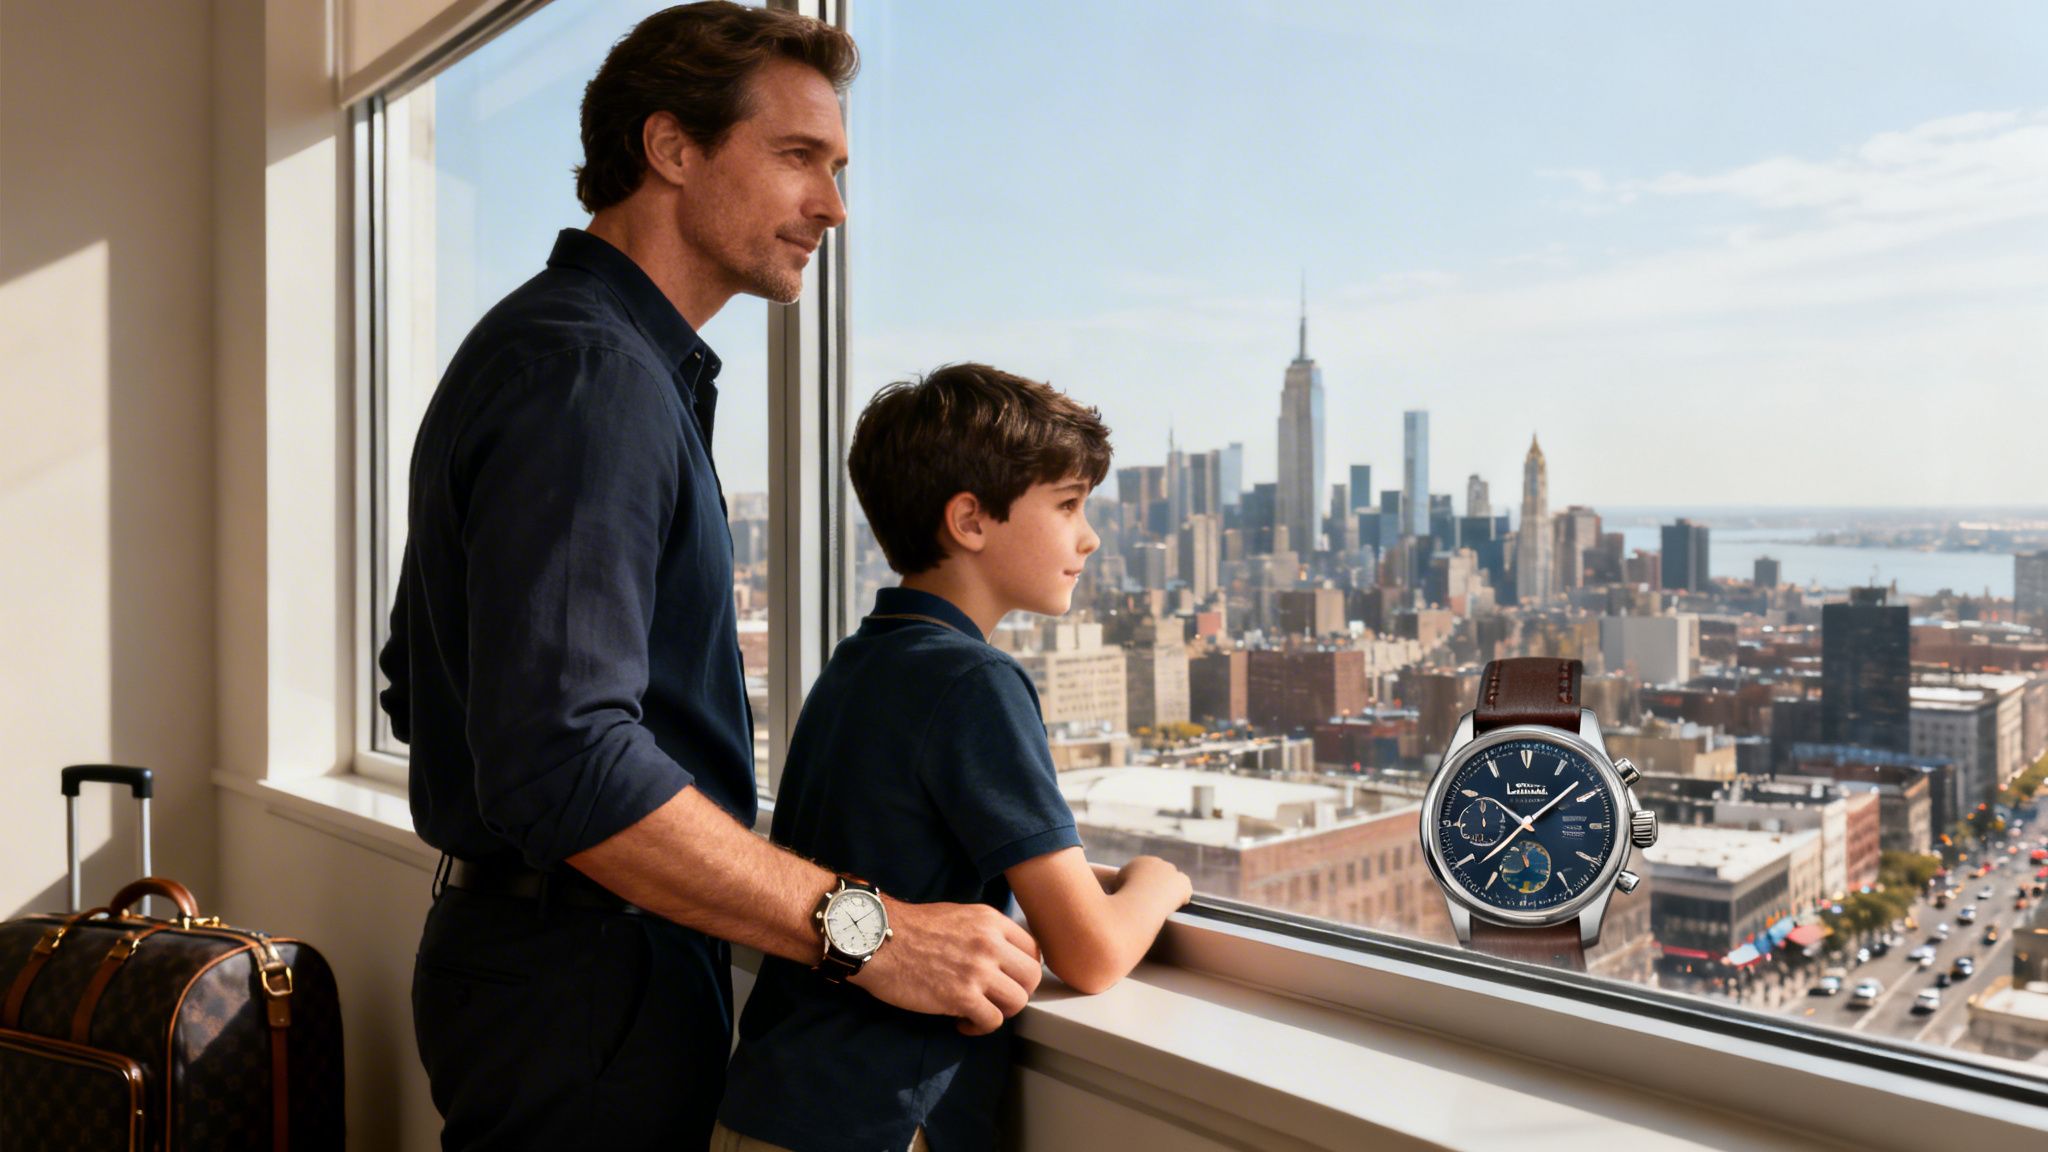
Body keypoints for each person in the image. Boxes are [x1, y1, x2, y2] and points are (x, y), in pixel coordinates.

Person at [377, 7, 1043, 1148]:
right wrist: (874, 933)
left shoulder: (571, 353)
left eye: (835, 168)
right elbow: (560, 757)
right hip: (587, 986)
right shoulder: (593, 378)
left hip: (571, 968)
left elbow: (422, 679)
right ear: (672, 149)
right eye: (797, 159)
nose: (833, 205)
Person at [714, 364, 1195, 1152]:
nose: (1090, 535)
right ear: (970, 520)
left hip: (770, 1101)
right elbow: (1094, 953)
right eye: (1069, 505)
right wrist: (1153, 882)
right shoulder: (975, 681)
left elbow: (911, 857)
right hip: (874, 1124)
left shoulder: (859, 663)